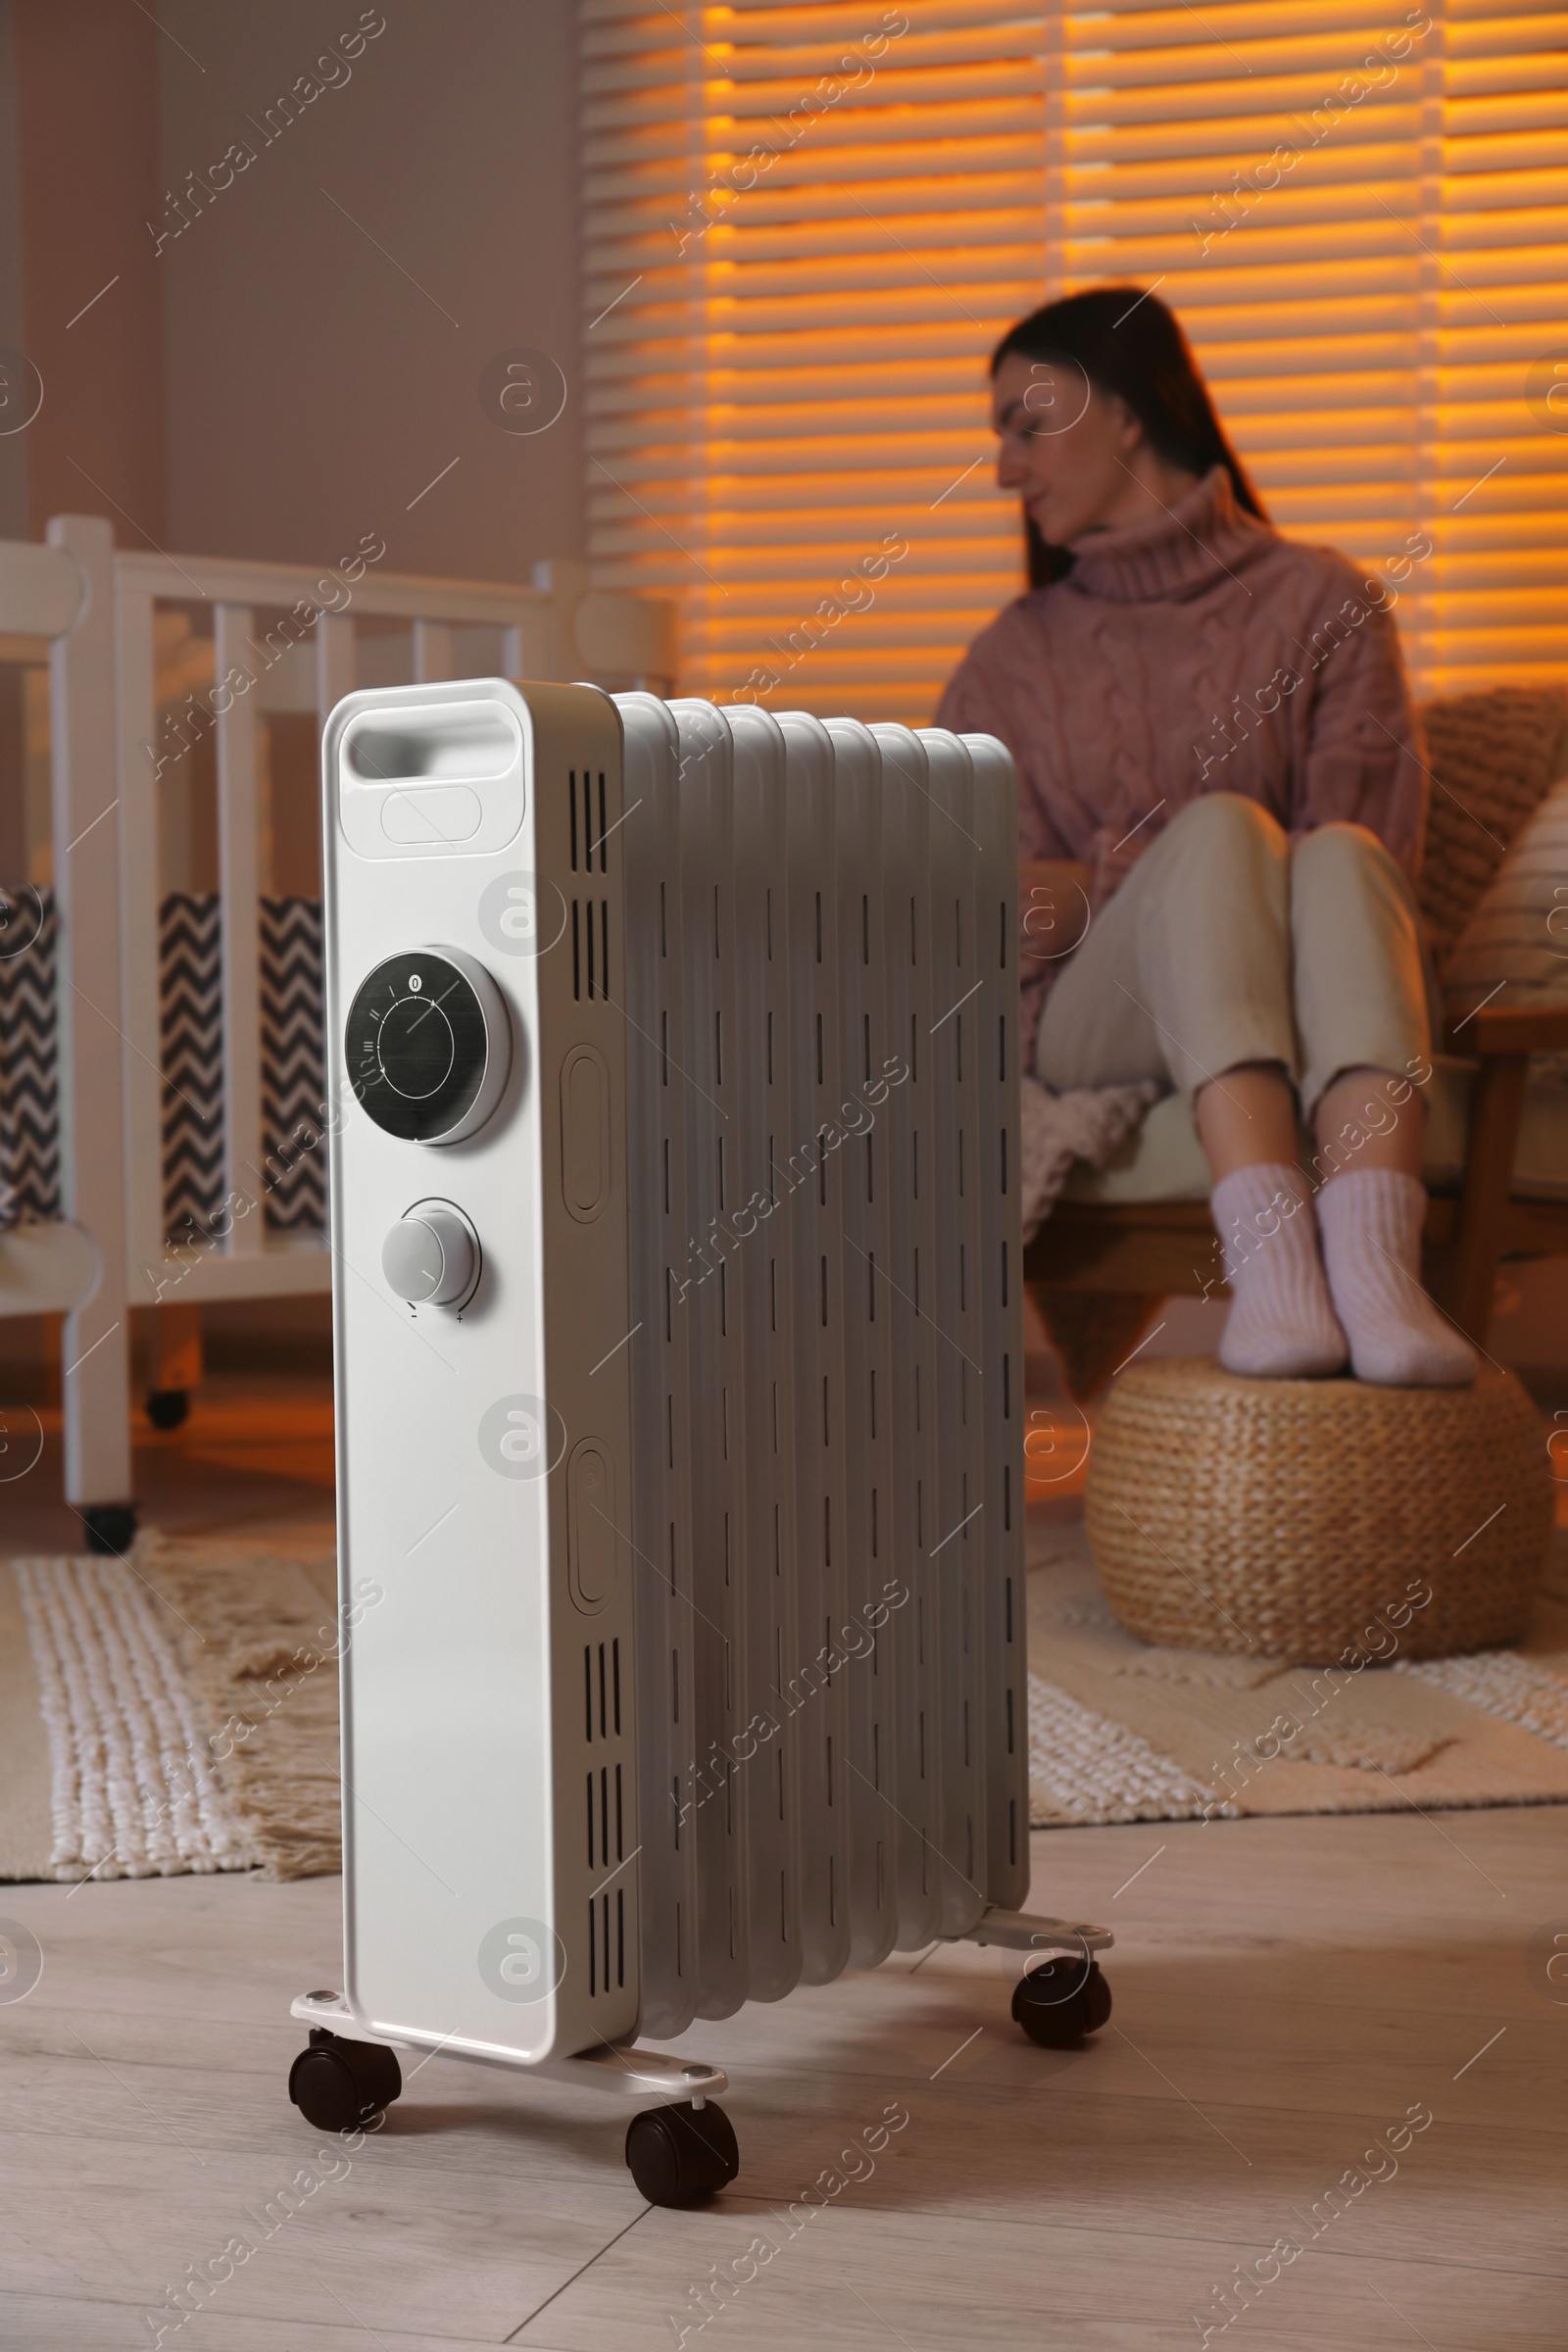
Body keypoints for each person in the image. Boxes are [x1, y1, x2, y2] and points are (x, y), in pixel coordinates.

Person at [935, 285, 1474, 1387]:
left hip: (1307, 968)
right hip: (1093, 1011)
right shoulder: (1011, 661)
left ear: (1127, 411)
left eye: (1026, 426)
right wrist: (1147, 882)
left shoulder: (1325, 603)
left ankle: (1375, 1274)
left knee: (1332, 856)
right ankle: (1277, 1269)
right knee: (1228, 831)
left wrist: (1176, 871)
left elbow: (1366, 862)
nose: (1001, 469)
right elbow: (973, 911)